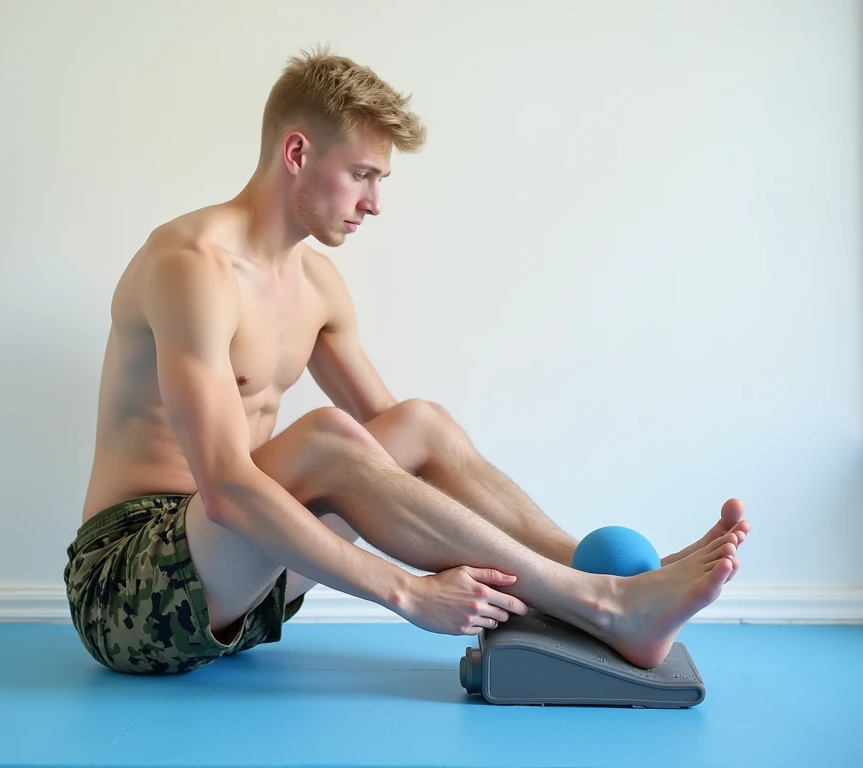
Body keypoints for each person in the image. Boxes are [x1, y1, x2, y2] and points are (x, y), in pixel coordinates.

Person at [64, 46, 751, 676]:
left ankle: (603, 581)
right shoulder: (192, 267)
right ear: (297, 152)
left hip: (244, 588)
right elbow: (225, 488)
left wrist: (540, 564)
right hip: (130, 586)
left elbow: (401, 459)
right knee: (328, 438)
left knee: (419, 423)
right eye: (362, 174)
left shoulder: (319, 286)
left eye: (380, 179)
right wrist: (407, 592)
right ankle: (602, 604)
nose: (375, 203)